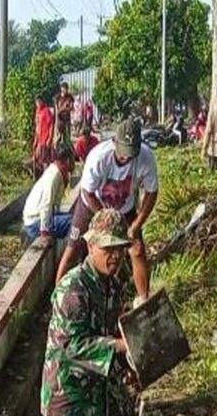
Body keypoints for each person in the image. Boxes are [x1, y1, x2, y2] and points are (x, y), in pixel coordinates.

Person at [41, 208, 132, 416]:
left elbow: (113, 328)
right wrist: (120, 346)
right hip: (68, 398)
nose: (115, 257)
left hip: (94, 397)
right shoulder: (73, 289)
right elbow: (72, 345)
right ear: (91, 246)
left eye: (120, 249)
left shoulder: (111, 285)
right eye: (108, 249)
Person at [56, 118, 158, 304]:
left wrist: (136, 224)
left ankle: (144, 299)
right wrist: (104, 216)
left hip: (124, 208)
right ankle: (57, 300)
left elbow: (152, 192)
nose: (126, 158)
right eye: (123, 153)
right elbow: (87, 192)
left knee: (137, 249)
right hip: (92, 205)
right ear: (115, 143)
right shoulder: (98, 157)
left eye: (131, 154)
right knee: (73, 249)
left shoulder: (146, 157)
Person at [22, 145, 74, 245]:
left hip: (39, 219)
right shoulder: (54, 175)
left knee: (73, 216)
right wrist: (44, 233)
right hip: (35, 223)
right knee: (73, 222)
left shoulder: (57, 171)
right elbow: (46, 204)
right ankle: (69, 253)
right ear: (67, 160)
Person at [33, 96, 56, 176]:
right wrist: (35, 139)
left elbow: (51, 125)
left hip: (45, 138)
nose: (38, 104)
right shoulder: (37, 112)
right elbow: (37, 126)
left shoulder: (46, 111)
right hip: (39, 139)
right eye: (37, 102)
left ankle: (47, 175)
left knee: (45, 159)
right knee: (38, 158)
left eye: (39, 102)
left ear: (42, 102)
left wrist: (50, 137)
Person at [54, 81, 75, 147]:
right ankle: (57, 150)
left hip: (67, 119)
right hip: (60, 120)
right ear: (61, 89)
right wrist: (64, 107)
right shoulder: (57, 97)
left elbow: (71, 108)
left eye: (66, 88)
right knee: (59, 136)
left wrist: (63, 109)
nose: (65, 90)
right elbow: (57, 110)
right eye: (63, 88)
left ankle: (67, 150)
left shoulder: (70, 97)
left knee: (67, 137)